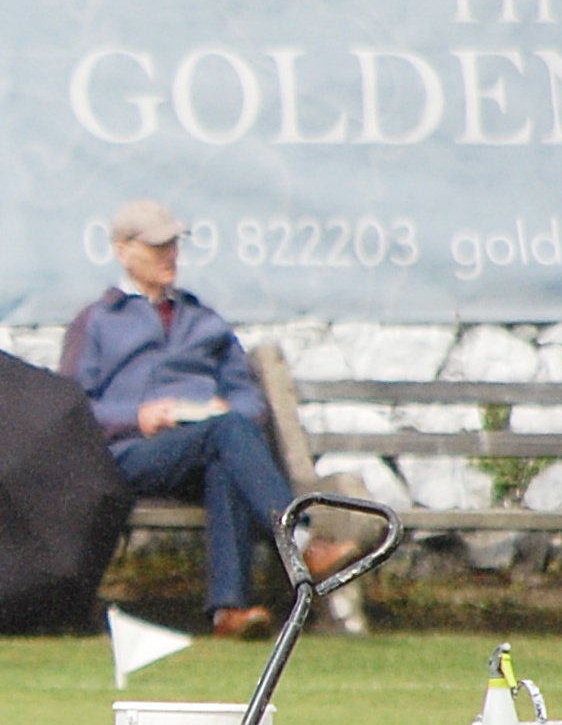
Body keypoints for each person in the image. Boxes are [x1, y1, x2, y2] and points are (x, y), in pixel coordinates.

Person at [60, 198, 350, 637]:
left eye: (173, 245)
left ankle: (229, 611)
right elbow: (74, 406)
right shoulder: (97, 320)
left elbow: (246, 396)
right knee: (226, 436)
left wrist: (225, 411)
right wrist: (139, 416)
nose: (170, 255)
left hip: (206, 442)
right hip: (131, 454)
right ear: (123, 250)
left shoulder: (204, 319)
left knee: (224, 456)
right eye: (158, 246)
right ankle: (301, 543)